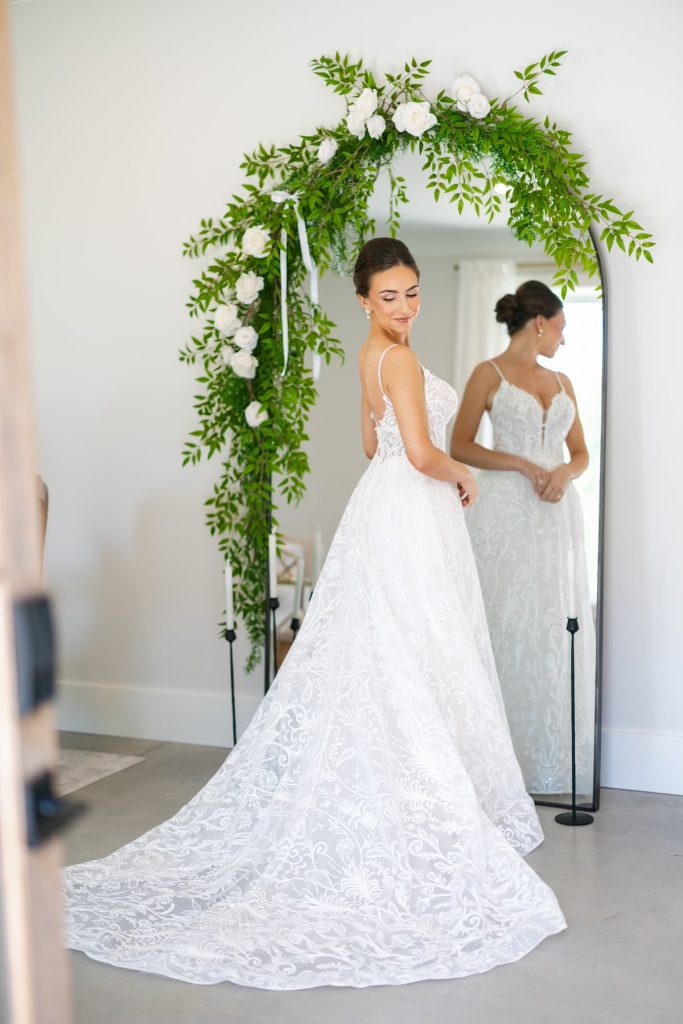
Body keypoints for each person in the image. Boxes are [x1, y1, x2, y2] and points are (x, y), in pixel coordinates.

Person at [62, 242, 566, 990]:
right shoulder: (397, 360)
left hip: (385, 508)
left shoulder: (370, 356)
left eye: (412, 292)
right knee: (414, 648)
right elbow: (420, 454)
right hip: (410, 510)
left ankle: (396, 801)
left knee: (393, 651)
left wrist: (425, 462)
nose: (404, 307)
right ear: (363, 299)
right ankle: (414, 807)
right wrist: (462, 473)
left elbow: (370, 443)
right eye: (389, 296)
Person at [450, 281, 596, 796]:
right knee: (505, 624)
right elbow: (459, 445)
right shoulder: (487, 374)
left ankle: (549, 757)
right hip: (504, 516)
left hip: (555, 514)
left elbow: (581, 452)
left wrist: (564, 473)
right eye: (561, 326)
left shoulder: (563, 381)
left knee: (552, 627)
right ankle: (497, 763)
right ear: (540, 322)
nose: (563, 338)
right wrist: (520, 463)